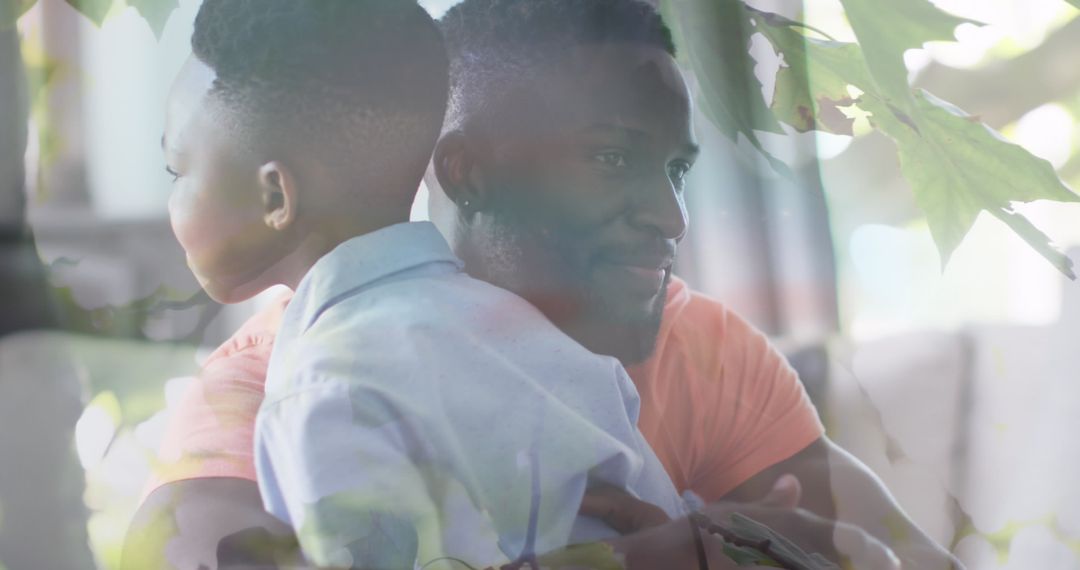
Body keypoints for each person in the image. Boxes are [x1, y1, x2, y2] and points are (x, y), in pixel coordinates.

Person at [125, 1, 949, 569]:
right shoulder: (286, 375)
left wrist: (733, 541)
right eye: (612, 157)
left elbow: (905, 558)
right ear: (469, 173)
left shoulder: (696, 345)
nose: (672, 219)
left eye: (676, 169)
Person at [134, 0, 690, 568]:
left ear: (276, 197)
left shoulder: (327, 391)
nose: (172, 198)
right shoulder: (539, 342)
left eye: (177, 171)